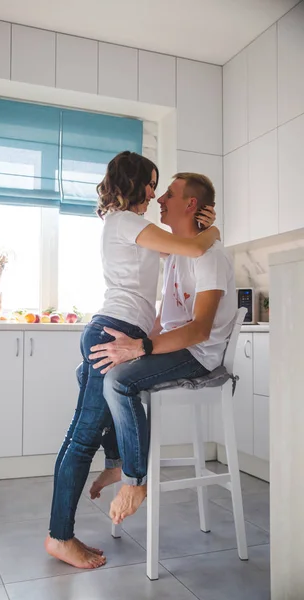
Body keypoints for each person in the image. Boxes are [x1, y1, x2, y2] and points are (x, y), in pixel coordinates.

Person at [45, 152, 219, 570]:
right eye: (152, 184)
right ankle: (59, 536)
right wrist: (211, 232)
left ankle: (119, 464)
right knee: (80, 437)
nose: (156, 193)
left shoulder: (132, 227)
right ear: (140, 184)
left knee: (91, 419)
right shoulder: (126, 222)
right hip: (115, 331)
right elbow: (194, 248)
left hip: (117, 329)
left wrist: (198, 224)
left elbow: (179, 250)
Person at [88, 172, 236, 526]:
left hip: (198, 356)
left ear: (190, 204)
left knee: (120, 381)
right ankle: (118, 462)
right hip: (176, 347)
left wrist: (140, 348)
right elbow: (162, 319)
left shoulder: (210, 256)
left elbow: (199, 330)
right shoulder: (174, 255)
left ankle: (135, 481)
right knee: (100, 369)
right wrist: (128, 345)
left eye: (168, 194)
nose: (159, 200)